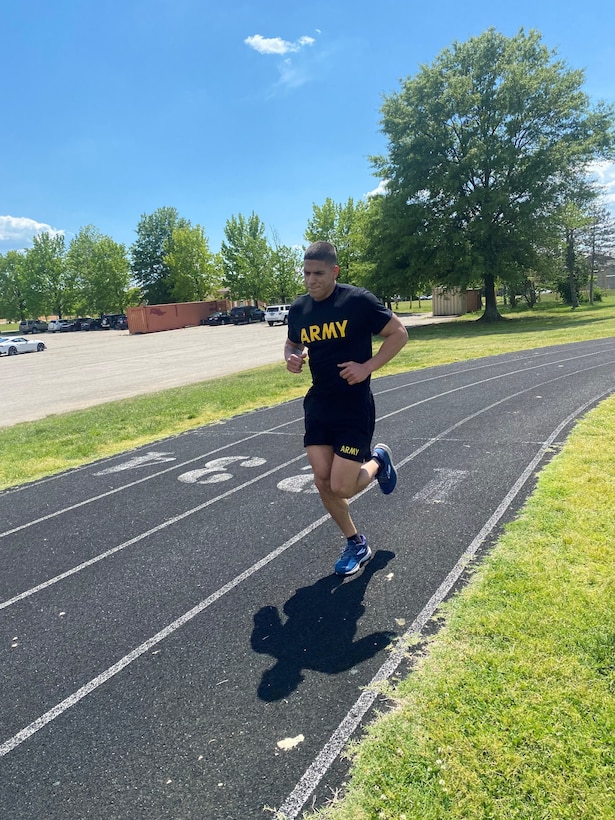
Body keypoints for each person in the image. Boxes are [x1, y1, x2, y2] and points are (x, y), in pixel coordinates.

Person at [285, 240, 408, 576]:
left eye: (319, 273)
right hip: (319, 403)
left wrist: (367, 367)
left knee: (341, 486)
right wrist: (292, 358)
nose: (311, 280)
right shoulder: (299, 309)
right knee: (322, 481)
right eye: (307, 273)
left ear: (334, 271)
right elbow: (293, 341)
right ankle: (356, 542)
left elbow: (398, 333)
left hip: (353, 404)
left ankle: (378, 461)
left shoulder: (357, 301)